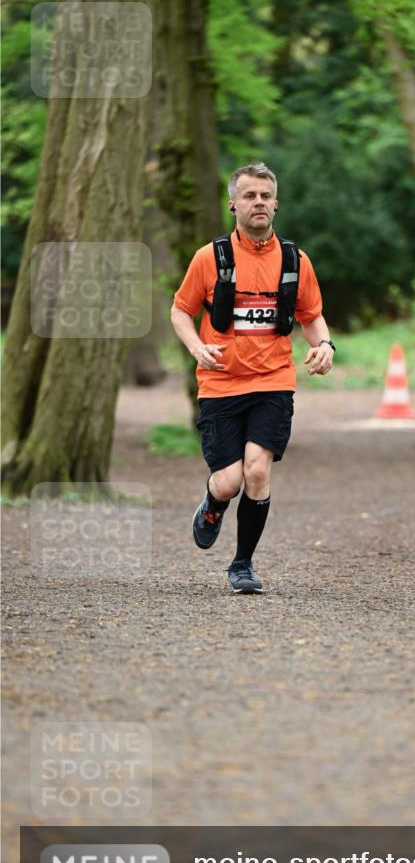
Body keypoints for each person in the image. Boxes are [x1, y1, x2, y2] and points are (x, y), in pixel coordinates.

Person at [171, 162, 335, 593]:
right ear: (233, 205)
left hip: (274, 382)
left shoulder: (295, 260)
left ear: (276, 204)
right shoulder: (211, 257)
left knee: (257, 473)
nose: (258, 202)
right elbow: (180, 310)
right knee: (229, 481)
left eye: (265, 196)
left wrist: (324, 345)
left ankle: (242, 565)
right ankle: (212, 502)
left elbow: (311, 317)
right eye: (249, 195)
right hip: (220, 384)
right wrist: (195, 346)